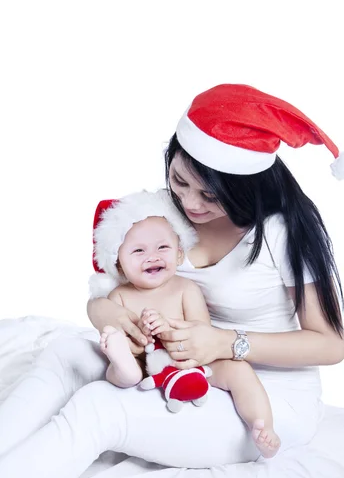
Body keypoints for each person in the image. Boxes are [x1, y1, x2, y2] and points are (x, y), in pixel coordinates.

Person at [0, 83, 344, 478]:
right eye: (180, 180)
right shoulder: (165, 211)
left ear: (246, 188)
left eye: (210, 195)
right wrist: (107, 314)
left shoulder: (281, 232)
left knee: (99, 408)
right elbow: (104, 289)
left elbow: (330, 345)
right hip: (170, 359)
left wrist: (224, 342)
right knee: (65, 354)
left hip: (263, 393)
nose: (189, 202)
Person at [93, 188, 281, 454]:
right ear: (119, 264)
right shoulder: (120, 296)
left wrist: (167, 327)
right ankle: (125, 372)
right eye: (138, 251)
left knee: (239, 372)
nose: (152, 256)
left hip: (190, 361)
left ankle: (262, 425)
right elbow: (127, 337)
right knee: (121, 362)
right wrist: (139, 335)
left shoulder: (185, 289)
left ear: (179, 254)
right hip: (146, 364)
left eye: (163, 247)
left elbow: (201, 332)